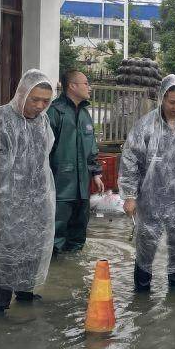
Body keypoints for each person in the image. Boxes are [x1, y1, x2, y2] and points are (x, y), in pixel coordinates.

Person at [118, 74, 175, 293]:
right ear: (162, 98)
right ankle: (141, 294)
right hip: (151, 200)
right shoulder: (145, 126)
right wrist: (130, 196)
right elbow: (130, 160)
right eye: (172, 102)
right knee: (146, 246)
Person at [0, 69, 57, 313]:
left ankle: (25, 292)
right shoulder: (1, 119)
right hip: (7, 202)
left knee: (34, 246)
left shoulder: (43, 121)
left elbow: (44, 160)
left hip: (37, 198)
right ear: (22, 94)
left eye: (46, 101)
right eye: (36, 99)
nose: (41, 106)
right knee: (6, 251)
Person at [47, 69, 104, 253]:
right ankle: (57, 274)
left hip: (82, 187)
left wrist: (96, 174)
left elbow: (91, 147)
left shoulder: (85, 114)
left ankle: (74, 273)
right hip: (60, 187)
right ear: (72, 86)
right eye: (86, 83)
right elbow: (44, 150)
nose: (90, 87)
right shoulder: (55, 112)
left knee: (79, 233)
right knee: (56, 233)